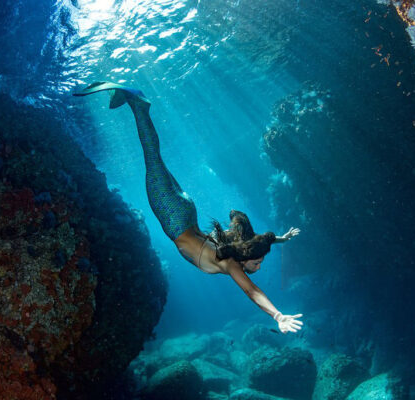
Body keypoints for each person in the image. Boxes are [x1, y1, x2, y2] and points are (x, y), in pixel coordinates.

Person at [74, 82, 303, 334]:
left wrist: (281, 239)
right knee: (151, 156)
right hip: (174, 217)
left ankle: (133, 103)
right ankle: (138, 105)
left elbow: (256, 241)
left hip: (186, 209)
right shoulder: (230, 263)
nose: (257, 268)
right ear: (246, 259)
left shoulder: (233, 249)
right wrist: (278, 315)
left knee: (157, 158)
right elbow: (251, 290)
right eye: (257, 263)